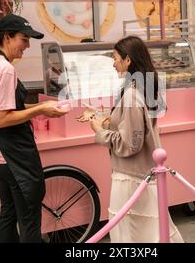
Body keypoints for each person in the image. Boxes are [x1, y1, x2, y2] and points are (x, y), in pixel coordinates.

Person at [78, 36, 183, 242]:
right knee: (151, 232)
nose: (113, 62)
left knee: (131, 235)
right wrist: (101, 116)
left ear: (128, 60)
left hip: (132, 179)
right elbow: (131, 126)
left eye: (116, 57)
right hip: (141, 175)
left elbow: (130, 144)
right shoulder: (140, 89)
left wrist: (99, 130)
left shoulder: (132, 94)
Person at [0, 14, 68, 242]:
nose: (27, 45)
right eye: (23, 39)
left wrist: (41, 105)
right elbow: (2, 118)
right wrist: (40, 111)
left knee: (8, 213)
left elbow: (9, 106)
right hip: (12, 155)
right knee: (29, 221)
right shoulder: (5, 70)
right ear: (7, 37)